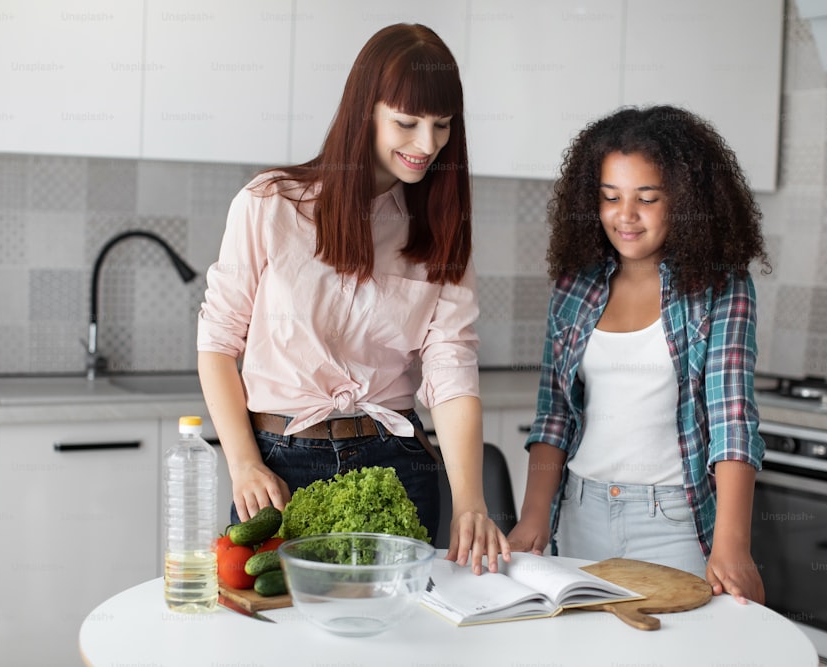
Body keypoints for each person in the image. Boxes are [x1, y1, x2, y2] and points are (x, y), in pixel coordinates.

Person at [196, 23, 509, 573]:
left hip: (397, 465)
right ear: (365, 110)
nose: (427, 144)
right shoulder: (270, 204)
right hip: (278, 469)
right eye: (407, 123)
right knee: (276, 637)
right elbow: (218, 343)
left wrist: (471, 504)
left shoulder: (441, 233)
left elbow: (452, 370)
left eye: (442, 126)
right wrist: (243, 464)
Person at [507, 105, 769, 603]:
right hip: (580, 511)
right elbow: (555, 414)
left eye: (647, 199)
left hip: (674, 523)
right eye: (610, 198)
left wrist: (733, 544)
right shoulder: (575, 285)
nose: (625, 216)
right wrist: (534, 517)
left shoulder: (720, 288)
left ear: (687, 202)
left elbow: (732, 419)